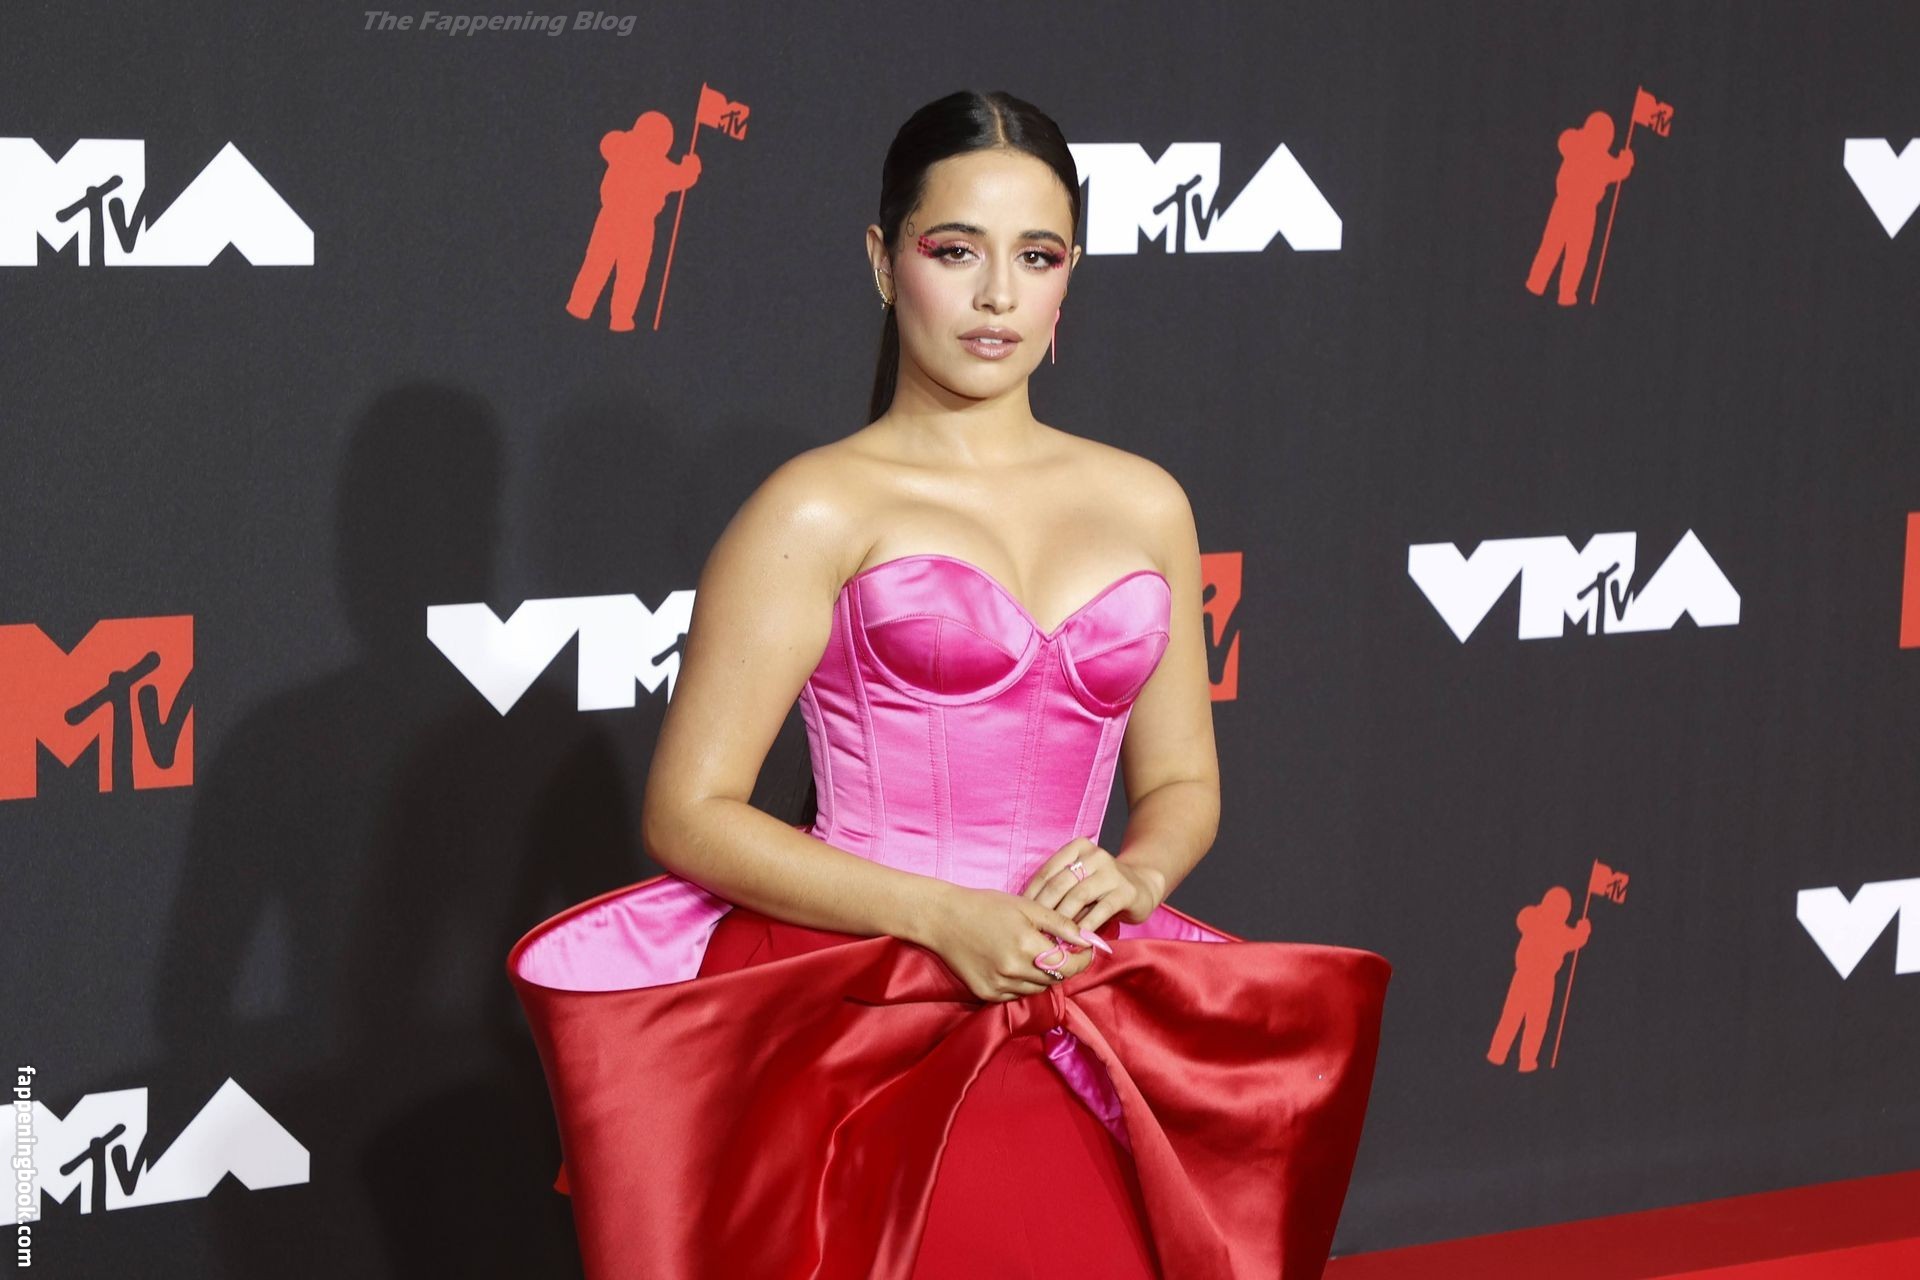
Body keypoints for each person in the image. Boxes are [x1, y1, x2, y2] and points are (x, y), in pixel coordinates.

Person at [509, 89, 1390, 1280]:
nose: (997, 296)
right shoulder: (813, 507)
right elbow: (689, 811)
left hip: (1082, 991)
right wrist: (941, 917)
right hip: (868, 992)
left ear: (1070, 276)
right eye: (956, 251)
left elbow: (1184, 777)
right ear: (885, 262)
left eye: (1038, 256)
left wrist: (1139, 873)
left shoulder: (1147, 503)